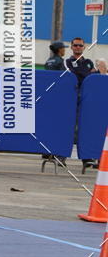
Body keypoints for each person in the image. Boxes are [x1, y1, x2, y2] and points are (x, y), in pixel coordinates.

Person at [66, 38, 98, 170]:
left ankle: (87, 158)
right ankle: (61, 155)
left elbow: (92, 76)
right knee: (68, 126)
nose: (78, 47)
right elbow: (77, 75)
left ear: (84, 47)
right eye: (75, 45)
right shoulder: (68, 61)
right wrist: (87, 73)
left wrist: (88, 73)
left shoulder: (88, 62)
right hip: (71, 98)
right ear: (71, 47)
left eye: (80, 45)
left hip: (87, 99)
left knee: (86, 127)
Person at [42, 41, 67, 168]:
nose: (65, 50)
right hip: (58, 97)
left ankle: (46, 151)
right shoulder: (60, 62)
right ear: (59, 50)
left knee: (48, 124)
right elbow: (63, 78)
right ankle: (57, 154)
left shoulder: (48, 61)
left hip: (48, 96)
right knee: (59, 126)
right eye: (63, 48)